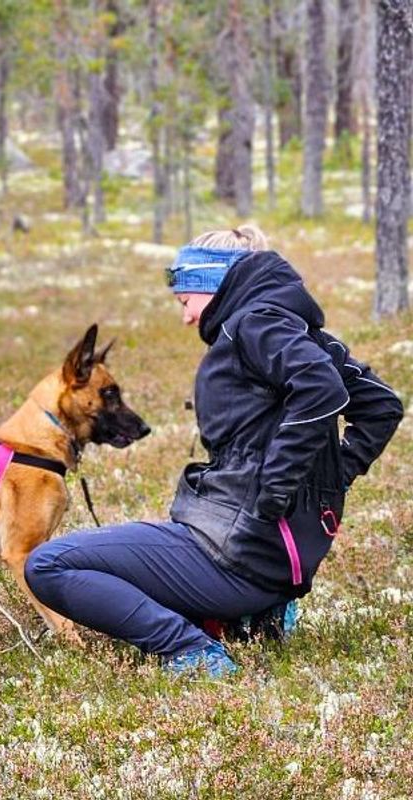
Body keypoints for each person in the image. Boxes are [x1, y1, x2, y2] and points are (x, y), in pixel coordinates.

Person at [24, 224, 404, 677]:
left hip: (234, 555)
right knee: (130, 557)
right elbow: (382, 404)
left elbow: (319, 391)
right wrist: (330, 481)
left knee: (47, 565)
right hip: (273, 560)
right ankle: (253, 617)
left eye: (185, 300)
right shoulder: (300, 332)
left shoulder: (254, 325)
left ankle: (191, 650)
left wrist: (276, 492)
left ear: (214, 283)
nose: (185, 317)